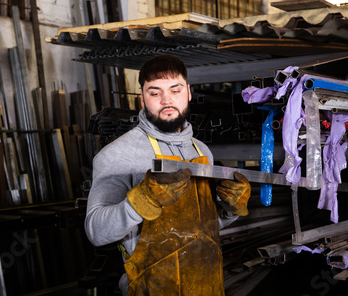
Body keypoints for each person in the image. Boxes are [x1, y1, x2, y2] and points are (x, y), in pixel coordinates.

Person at [85, 54, 251, 295]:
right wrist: (142, 200)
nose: (166, 100)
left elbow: (201, 229)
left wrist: (229, 211)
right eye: (155, 93)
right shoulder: (118, 155)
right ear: (142, 98)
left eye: (175, 90)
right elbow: (96, 232)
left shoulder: (200, 150)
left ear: (189, 92)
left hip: (208, 286)